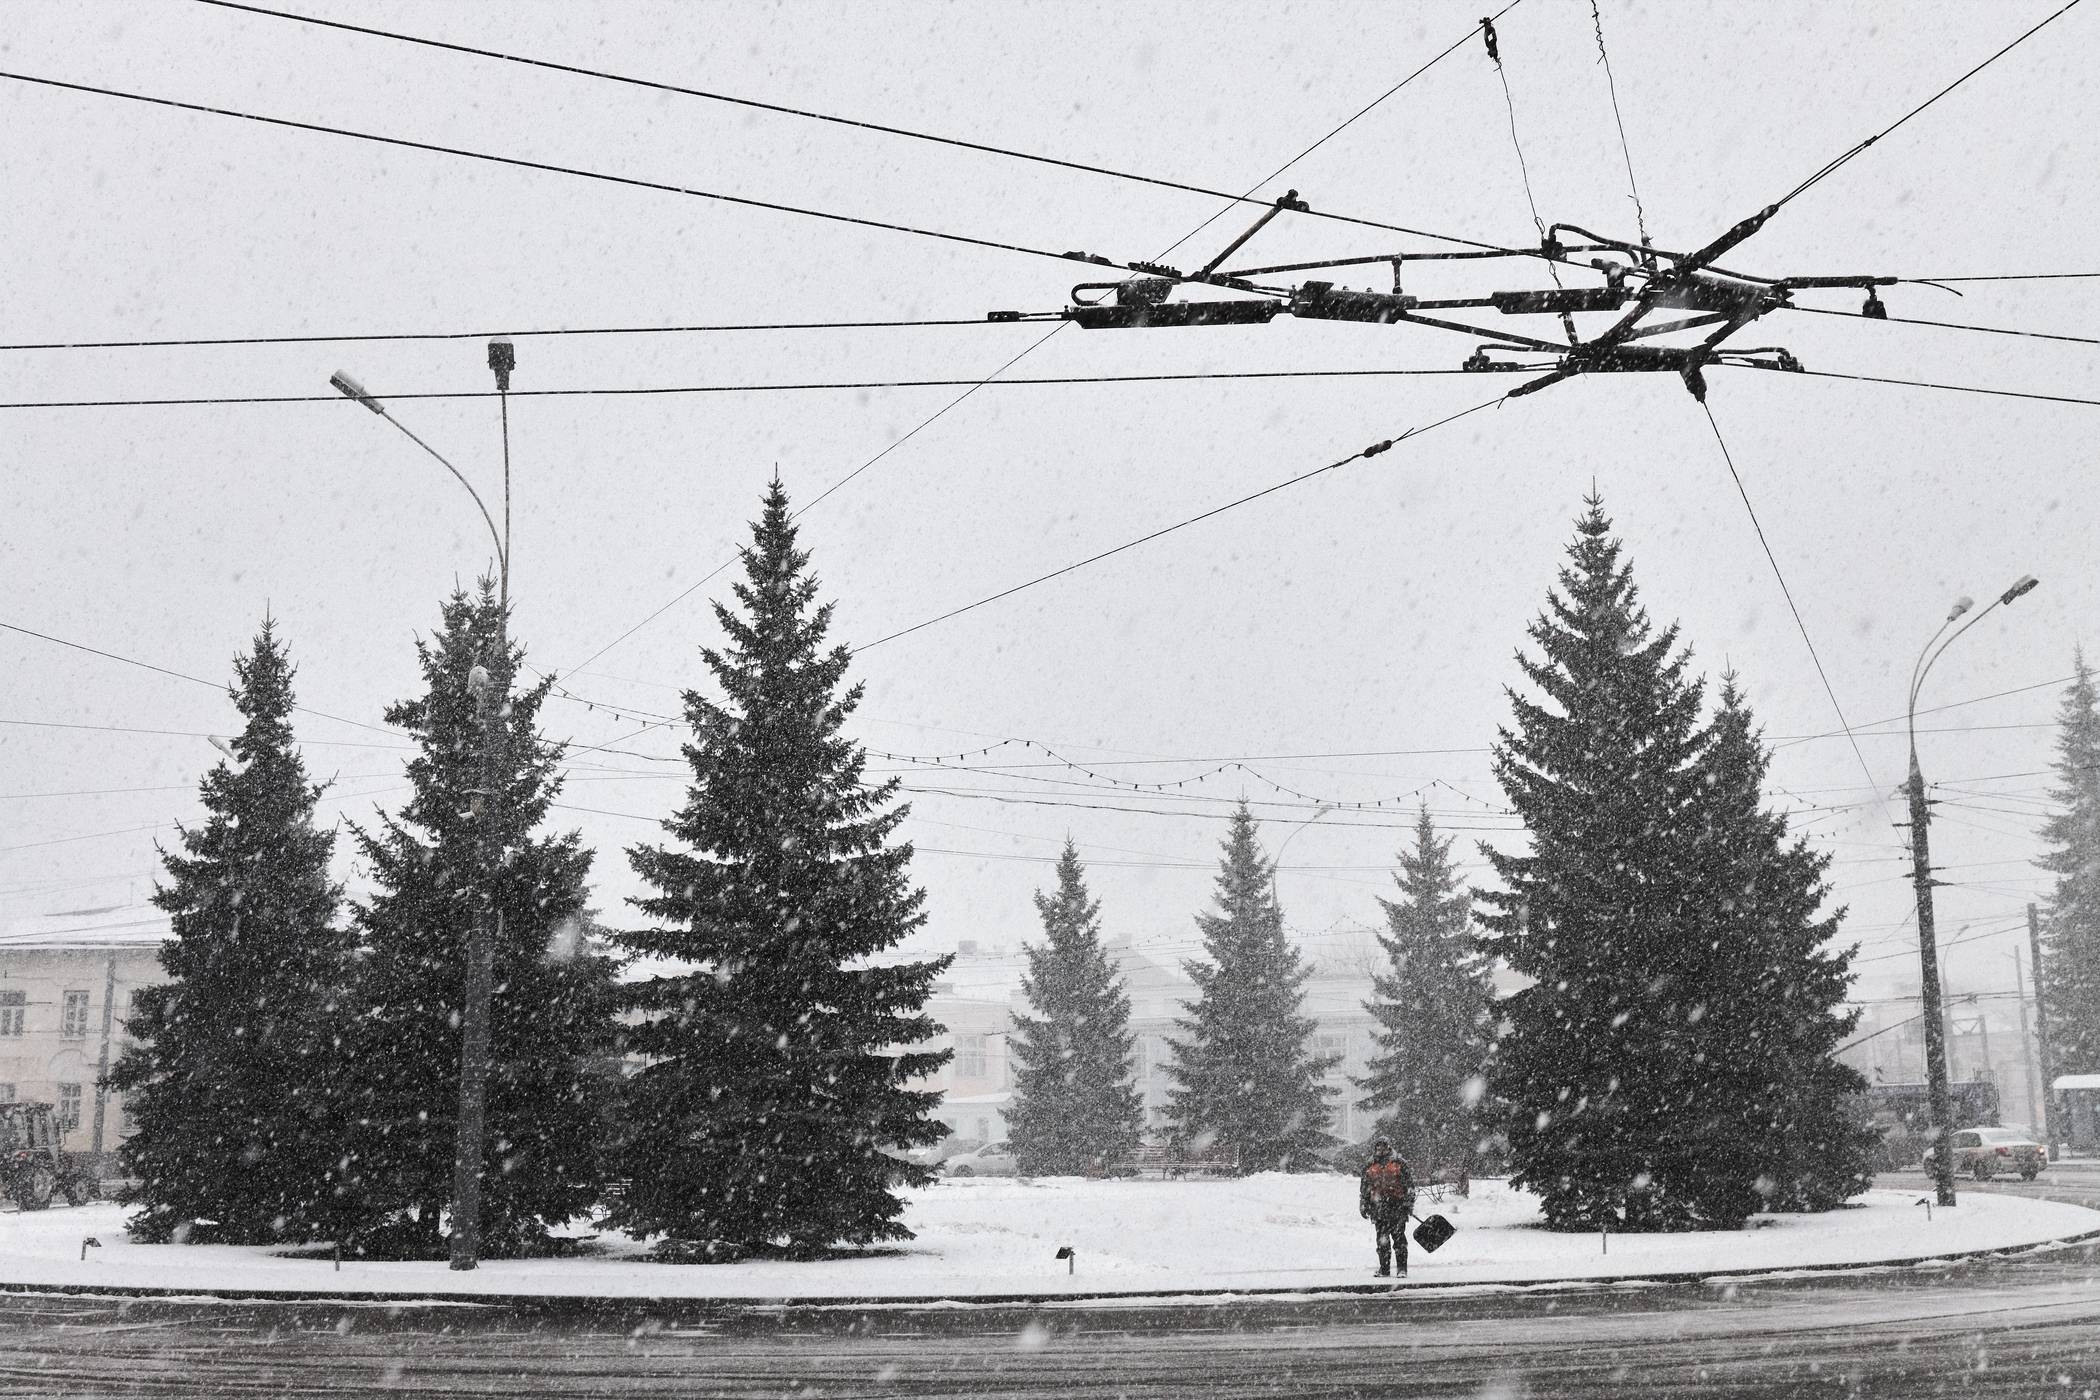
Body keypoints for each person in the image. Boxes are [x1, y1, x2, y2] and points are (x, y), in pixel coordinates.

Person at [1358, 1135, 1415, 1277]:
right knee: (1382, 1241)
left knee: (1399, 1239)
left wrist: (1408, 1202)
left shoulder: (1399, 1163)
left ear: (1389, 1147)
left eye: (1383, 1147)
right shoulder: (1370, 1165)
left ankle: (1402, 1269)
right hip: (1378, 1209)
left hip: (1397, 1207)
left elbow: (1409, 1186)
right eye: (1378, 1147)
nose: (1381, 1150)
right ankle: (1384, 1269)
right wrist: (1363, 1203)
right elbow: (1365, 1187)